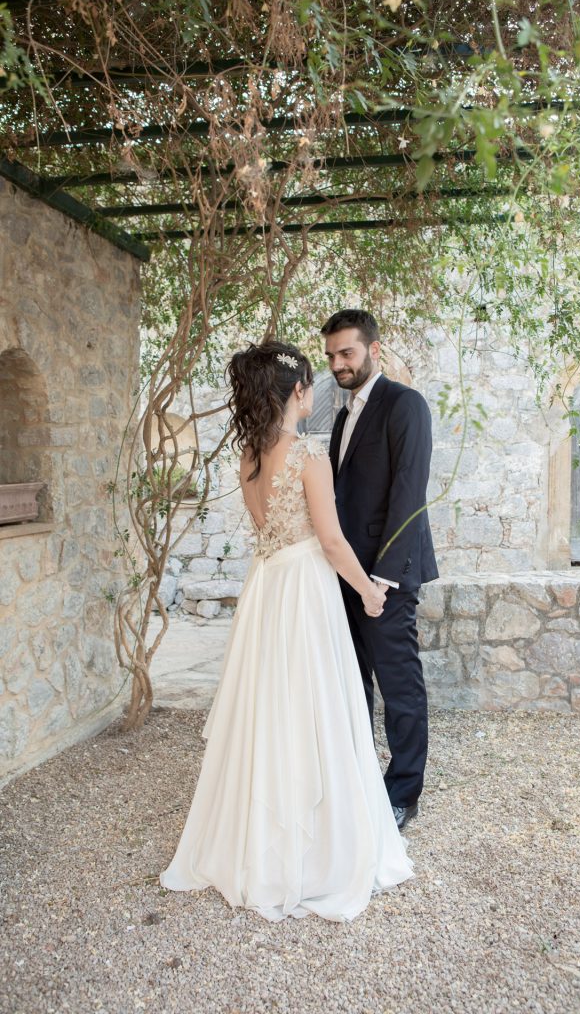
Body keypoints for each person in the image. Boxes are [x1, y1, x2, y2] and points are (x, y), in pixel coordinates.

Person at [160, 340, 413, 922]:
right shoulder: (307, 456)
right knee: (313, 704)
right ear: (297, 392)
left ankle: (260, 840)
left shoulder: (249, 456)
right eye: (308, 385)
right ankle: (317, 848)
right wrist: (370, 591)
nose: (315, 392)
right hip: (303, 590)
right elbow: (329, 540)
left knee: (270, 707)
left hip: (267, 587)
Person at [321, 309, 438, 832]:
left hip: (387, 578)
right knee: (354, 683)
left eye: (347, 352)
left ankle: (403, 791)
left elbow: (409, 494)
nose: (338, 364)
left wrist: (383, 581)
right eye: (331, 355)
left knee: (399, 686)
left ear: (373, 349)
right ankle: (363, 781)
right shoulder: (344, 414)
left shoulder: (404, 404)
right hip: (348, 573)